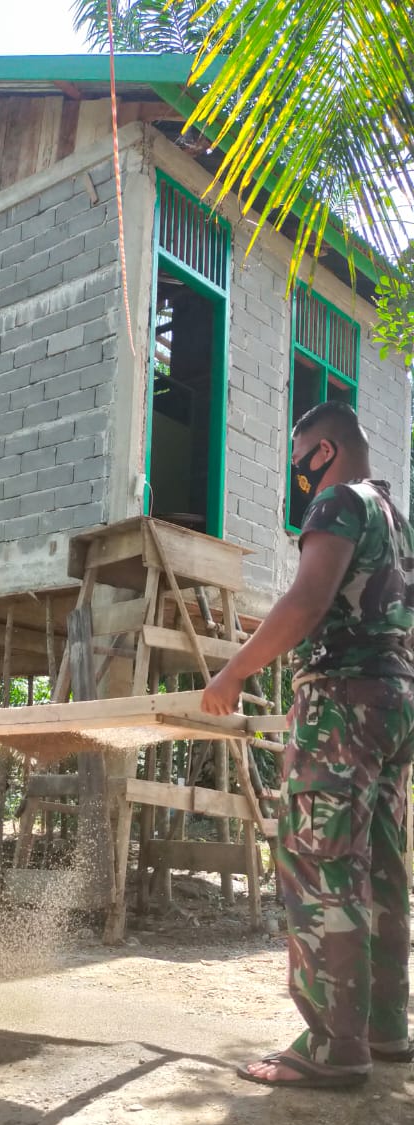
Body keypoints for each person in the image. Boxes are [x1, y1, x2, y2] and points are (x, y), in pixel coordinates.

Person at [202, 402, 414, 1089]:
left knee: (321, 862)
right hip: (395, 701)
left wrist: (233, 672)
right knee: (381, 864)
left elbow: (306, 600)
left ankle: (332, 1046)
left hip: (343, 703)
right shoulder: (398, 521)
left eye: (301, 465)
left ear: (324, 452)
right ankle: (384, 1027)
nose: (301, 481)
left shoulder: (340, 503)